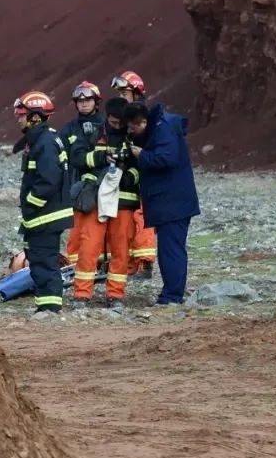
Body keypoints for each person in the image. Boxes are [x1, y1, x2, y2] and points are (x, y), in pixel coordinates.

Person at [123, 101, 200, 305]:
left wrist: (142, 155)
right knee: (171, 249)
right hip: (171, 202)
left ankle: (172, 297)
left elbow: (167, 158)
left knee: (170, 251)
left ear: (143, 122)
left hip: (173, 204)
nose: (132, 131)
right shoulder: (159, 127)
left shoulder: (163, 129)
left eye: (133, 127)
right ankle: (172, 293)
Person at [68, 97, 139, 312]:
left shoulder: (133, 136)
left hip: (124, 200)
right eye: (114, 122)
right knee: (89, 246)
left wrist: (130, 176)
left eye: (121, 123)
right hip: (95, 199)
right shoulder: (93, 132)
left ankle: (115, 294)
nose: (118, 126)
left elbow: (142, 165)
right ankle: (81, 294)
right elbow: (77, 157)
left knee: (121, 248)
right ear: (107, 117)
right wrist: (101, 157)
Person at [14, 91, 73, 316]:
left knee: (44, 259)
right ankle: (46, 304)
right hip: (43, 215)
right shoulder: (42, 139)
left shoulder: (45, 142)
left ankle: (50, 307)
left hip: (46, 215)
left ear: (35, 117)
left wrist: (29, 204)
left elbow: (48, 181)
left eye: (22, 115)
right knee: (38, 257)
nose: (19, 119)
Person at [111, 70, 157, 278]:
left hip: (144, 174)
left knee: (141, 218)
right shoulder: (124, 116)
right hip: (128, 174)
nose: (121, 96)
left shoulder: (143, 117)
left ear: (135, 92)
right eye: (119, 92)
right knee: (127, 220)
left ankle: (145, 263)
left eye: (124, 92)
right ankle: (131, 263)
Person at [59, 82, 104, 268]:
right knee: (76, 229)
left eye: (88, 100)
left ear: (96, 102)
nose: (84, 104)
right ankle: (74, 265)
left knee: (100, 228)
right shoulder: (69, 129)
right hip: (76, 186)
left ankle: (99, 263)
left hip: (103, 185)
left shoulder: (105, 126)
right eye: (80, 101)